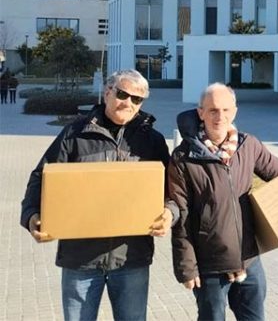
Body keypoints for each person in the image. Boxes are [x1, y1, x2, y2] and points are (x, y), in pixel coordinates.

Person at [20, 69, 175, 321]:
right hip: (80, 259)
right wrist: (31, 216)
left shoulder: (152, 140)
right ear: (107, 92)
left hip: (131, 258)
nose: (128, 103)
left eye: (137, 99)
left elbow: (172, 189)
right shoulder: (74, 133)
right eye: (123, 94)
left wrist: (171, 213)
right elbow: (41, 177)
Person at [168, 83, 278, 321]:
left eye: (225, 110)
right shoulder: (183, 158)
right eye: (212, 110)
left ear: (235, 111)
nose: (219, 117)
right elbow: (181, 216)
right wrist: (187, 268)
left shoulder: (248, 145)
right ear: (200, 112)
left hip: (249, 260)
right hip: (209, 266)